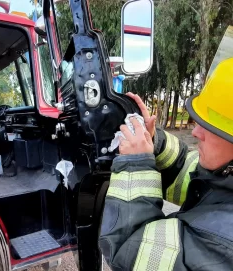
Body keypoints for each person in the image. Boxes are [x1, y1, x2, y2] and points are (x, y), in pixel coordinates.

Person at [99, 58, 233, 270]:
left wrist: (135, 167)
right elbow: (190, 174)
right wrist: (153, 144)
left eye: (211, 125)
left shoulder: (224, 245)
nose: (196, 132)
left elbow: (127, 251)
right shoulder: (225, 174)